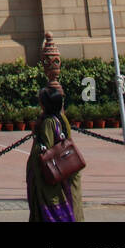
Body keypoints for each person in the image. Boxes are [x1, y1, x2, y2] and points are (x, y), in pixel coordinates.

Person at [26, 84, 84, 223]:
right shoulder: (61, 118)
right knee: (72, 205)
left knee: (52, 209)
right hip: (67, 173)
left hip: (52, 178)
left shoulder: (48, 123)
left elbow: (46, 149)